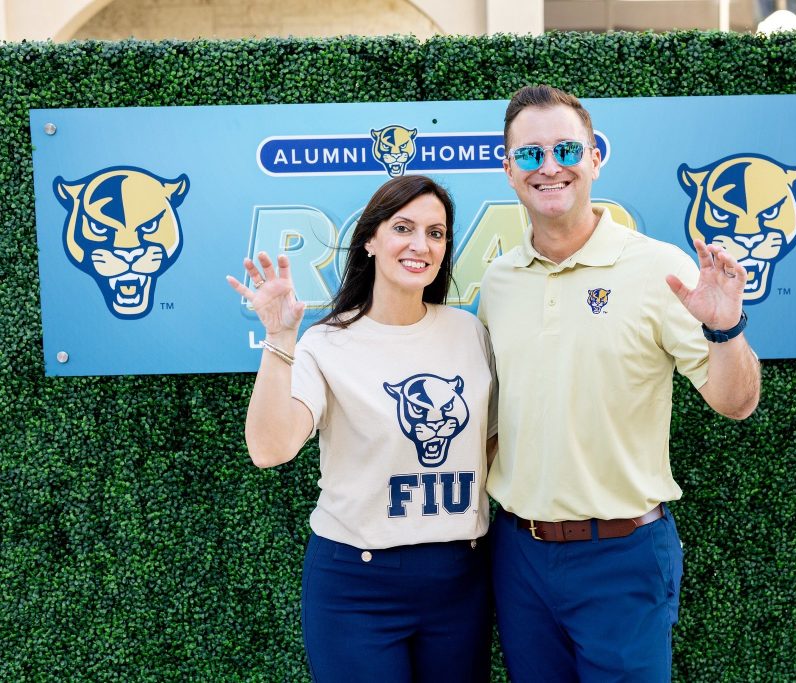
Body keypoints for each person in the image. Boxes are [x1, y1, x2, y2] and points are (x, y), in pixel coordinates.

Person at [480, 85, 762, 682]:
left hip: (622, 554)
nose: (550, 167)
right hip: (519, 555)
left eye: (566, 149)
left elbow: (736, 402)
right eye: (530, 155)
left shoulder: (658, 268)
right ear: (508, 170)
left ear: (595, 157)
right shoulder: (498, 282)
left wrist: (726, 328)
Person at [226, 175, 496, 683]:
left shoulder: (469, 333)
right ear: (370, 240)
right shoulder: (326, 344)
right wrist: (281, 337)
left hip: (460, 581)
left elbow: (493, 443)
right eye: (403, 228)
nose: (421, 245)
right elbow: (269, 448)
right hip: (356, 584)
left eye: (436, 233)